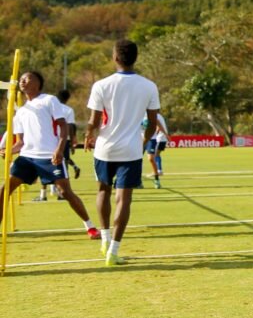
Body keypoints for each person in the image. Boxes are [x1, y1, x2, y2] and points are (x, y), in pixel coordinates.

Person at [84, 39, 161, 265]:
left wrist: (88, 136)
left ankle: (105, 239)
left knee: (102, 191)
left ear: (115, 57)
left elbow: (94, 121)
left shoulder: (101, 85)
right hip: (131, 150)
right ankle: (114, 251)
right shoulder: (149, 86)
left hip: (104, 149)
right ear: (135, 58)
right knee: (124, 199)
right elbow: (153, 122)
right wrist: (143, 141)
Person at [0, 71, 101, 240]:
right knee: (4, 190)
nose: (22, 81)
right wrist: (8, 151)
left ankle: (90, 227)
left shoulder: (49, 100)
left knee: (65, 192)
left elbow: (63, 126)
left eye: (27, 78)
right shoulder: (21, 112)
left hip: (49, 156)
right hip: (27, 158)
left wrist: (59, 150)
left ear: (37, 83)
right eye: (21, 79)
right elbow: (21, 142)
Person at [144, 112, 170, 188]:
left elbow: (158, 123)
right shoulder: (137, 113)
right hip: (140, 139)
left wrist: (166, 134)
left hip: (151, 139)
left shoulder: (150, 113)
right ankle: (137, 181)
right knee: (137, 160)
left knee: (151, 158)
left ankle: (157, 179)